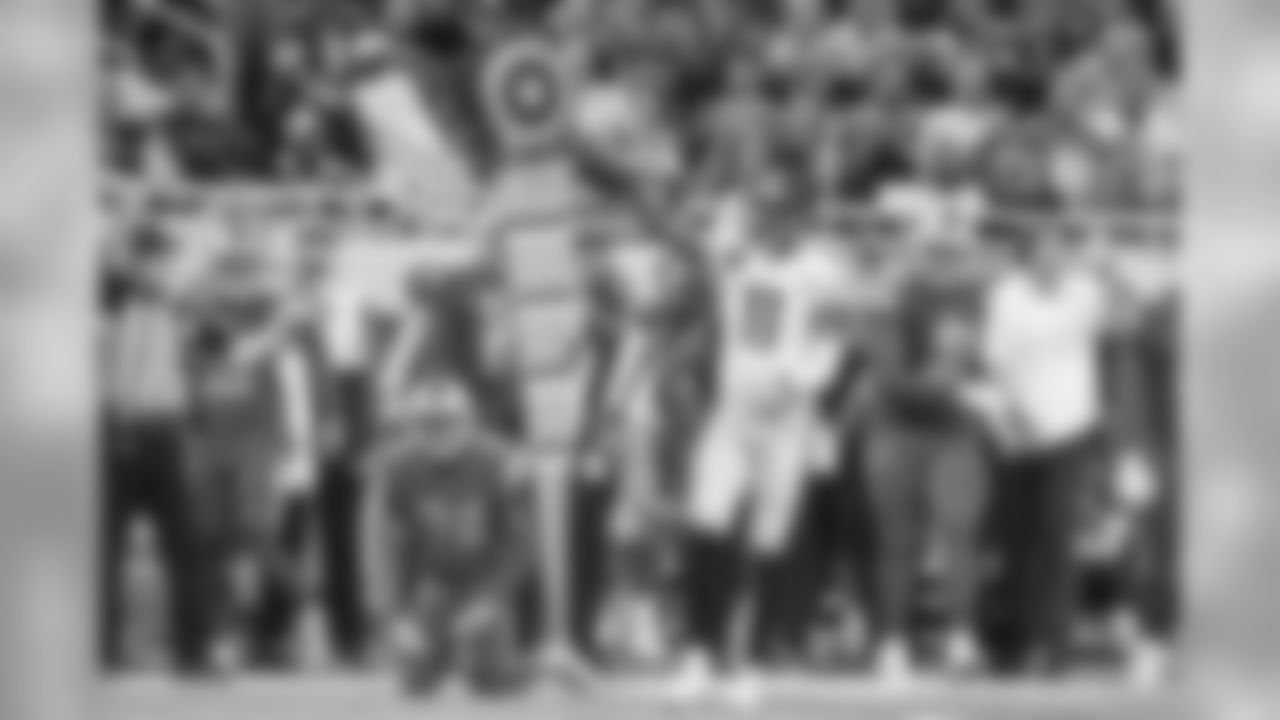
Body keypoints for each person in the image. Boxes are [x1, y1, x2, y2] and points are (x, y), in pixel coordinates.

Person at [979, 213, 1119, 676]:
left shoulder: (1086, 292)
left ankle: (1055, 645)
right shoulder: (1007, 295)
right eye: (1041, 249)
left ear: (1067, 255)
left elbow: (1122, 316)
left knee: (1058, 535)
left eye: (1058, 249)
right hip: (1019, 429)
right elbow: (996, 361)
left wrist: (1107, 264)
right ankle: (1021, 640)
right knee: (1019, 537)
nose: (1050, 257)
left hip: (1071, 428)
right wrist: (1017, 418)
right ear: (1028, 256)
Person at [365, 316, 529, 697]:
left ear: (468, 420)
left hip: (482, 577)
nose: (437, 431)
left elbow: (519, 544)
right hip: (432, 584)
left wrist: (491, 597)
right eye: (428, 422)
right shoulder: (397, 466)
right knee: (415, 679)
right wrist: (394, 618)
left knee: (491, 680)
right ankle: (434, 653)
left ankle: (515, 655)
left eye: (445, 421)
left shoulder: (497, 462)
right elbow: (380, 546)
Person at [100, 225, 206, 675]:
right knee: (105, 546)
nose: (161, 268)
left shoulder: (181, 309)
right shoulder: (111, 300)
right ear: (135, 261)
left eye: (165, 260)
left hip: (166, 433)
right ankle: (101, 650)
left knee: (185, 545)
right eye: (152, 259)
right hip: (118, 430)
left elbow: (211, 348)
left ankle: (192, 653)